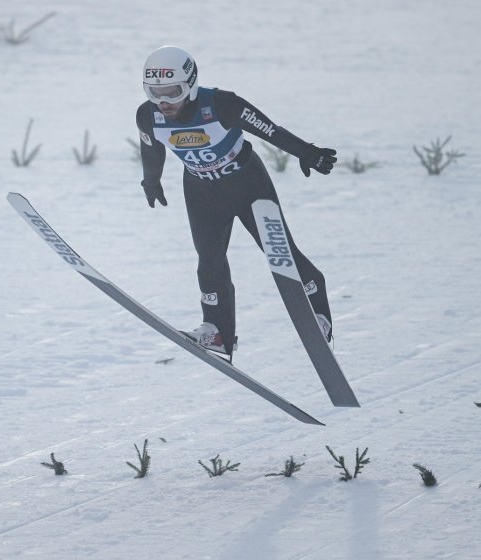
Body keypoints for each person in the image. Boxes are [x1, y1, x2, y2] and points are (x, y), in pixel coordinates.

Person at [136, 45, 337, 357]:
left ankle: (317, 312)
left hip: (247, 184)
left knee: (279, 251)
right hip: (201, 191)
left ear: (190, 85)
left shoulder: (222, 104)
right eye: (154, 92)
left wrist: (308, 152)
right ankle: (217, 331)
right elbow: (151, 151)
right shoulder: (148, 116)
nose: (163, 102)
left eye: (173, 92)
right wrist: (151, 182)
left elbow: (270, 131)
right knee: (209, 260)